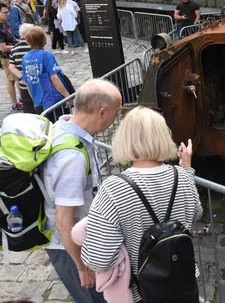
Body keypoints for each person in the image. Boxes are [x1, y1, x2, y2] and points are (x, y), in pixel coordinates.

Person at [81, 106, 203, 303]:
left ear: (123, 140)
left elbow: (98, 259)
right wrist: (187, 169)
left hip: (144, 292)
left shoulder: (113, 189)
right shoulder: (181, 176)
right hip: (183, 282)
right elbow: (196, 212)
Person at [42, 79, 122, 303]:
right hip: (70, 246)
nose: (117, 117)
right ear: (102, 112)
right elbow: (64, 221)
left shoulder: (64, 127)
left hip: (75, 239)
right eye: (116, 112)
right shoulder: (72, 158)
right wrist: (82, 266)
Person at [22, 26, 71, 121]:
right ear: (44, 40)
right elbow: (54, 78)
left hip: (39, 102)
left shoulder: (25, 58)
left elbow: (27, 82)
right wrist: (67, 96)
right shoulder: (47, 55)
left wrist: (35, 100)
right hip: (53, 101)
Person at [0, 2, 22, 111]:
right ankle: (14, 103)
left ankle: (21, 99)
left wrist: (18, 42)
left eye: (8, 12)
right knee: (11, 79)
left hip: (14, 54)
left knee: (18, 78)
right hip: (6, 57)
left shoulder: (5, 23)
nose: (7, 14)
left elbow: (12, 38)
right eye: (4, 13)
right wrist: (17, 45)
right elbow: (3, 48)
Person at [8, 23, 37, 114]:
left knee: (28, 109)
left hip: (23, 84)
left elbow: (11, 66)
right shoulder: (34, 47)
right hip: (36, 83)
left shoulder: (14, 48)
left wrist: (22, 76)